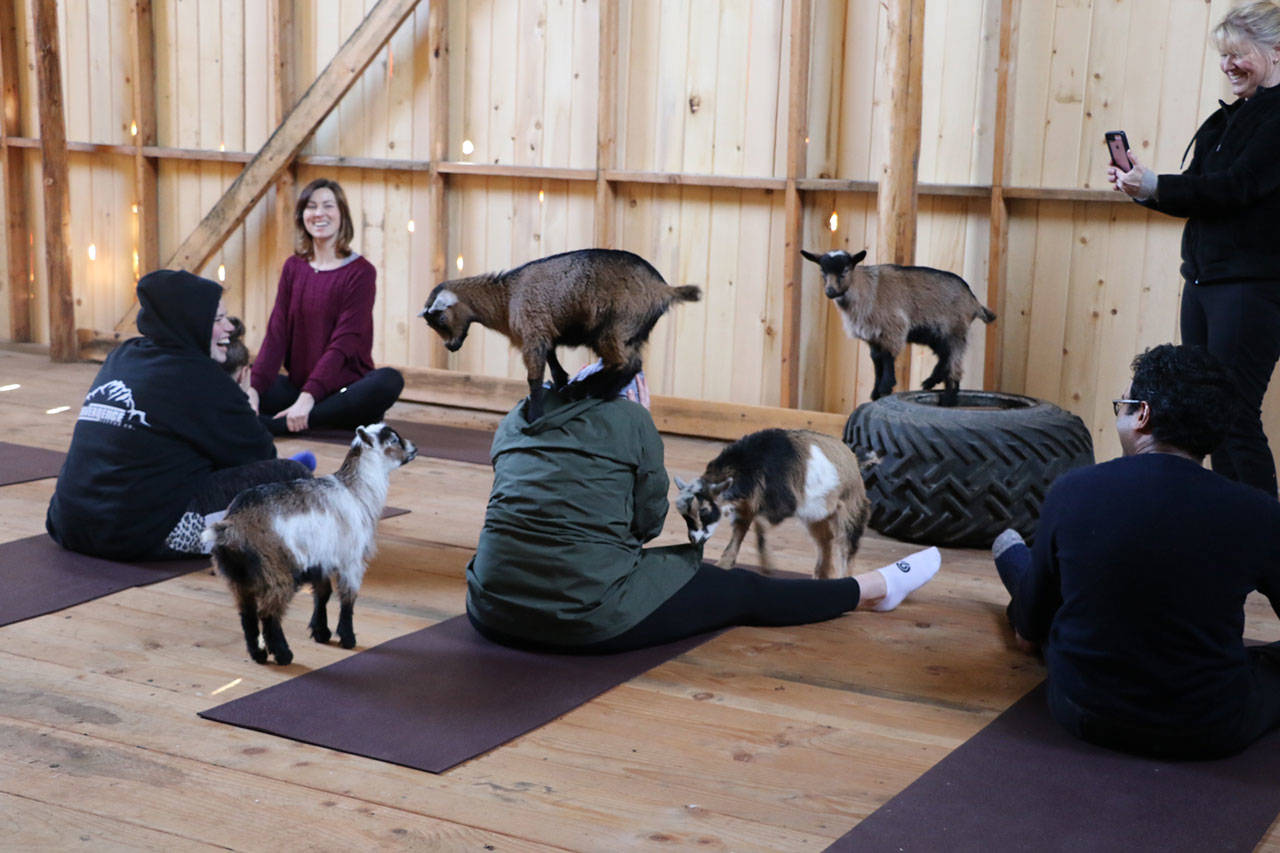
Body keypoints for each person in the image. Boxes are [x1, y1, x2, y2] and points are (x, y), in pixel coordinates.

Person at [465, 386, 940, 654]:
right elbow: (647, 526)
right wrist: (640, 424)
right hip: (585, 620)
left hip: (489, 608)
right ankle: (877, 586)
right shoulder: (632, 421)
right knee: (743, 590)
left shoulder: (517, 416)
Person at [993, 344, 1280, 759]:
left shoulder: (1072, 491)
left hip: (1082, 710)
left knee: (1048, 606)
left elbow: (1028, 634)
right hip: (1208, 726)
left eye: (1122, 405)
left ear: (1142, 415)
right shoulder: (1258, 513)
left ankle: (1014, 556)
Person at [1107, 1, 1280, 496]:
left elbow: (1237, 188)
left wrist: (1160, 183)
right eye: (1222, 56)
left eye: (1237, 54)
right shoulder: (1226, 121)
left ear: (1275, 51)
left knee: (1234, 415)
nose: (1227, 66)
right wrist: (1146, 190)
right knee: (1205, 415)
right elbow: (1204, 198)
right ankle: (1222, 535)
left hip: (1250, 289)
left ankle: (1263, 547)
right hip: (1203, 284)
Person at [46, 270, 311, 561]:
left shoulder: (123, 356)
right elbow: (261, 454)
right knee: (293, 479)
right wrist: (246, 402)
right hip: (138, 535)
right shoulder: (200, 376)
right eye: (217, 320)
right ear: (190, 322)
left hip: (68, 523)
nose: (228, 329)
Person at [251, 178, 404, 435]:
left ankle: (288, 423)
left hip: (344, 391)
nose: (319, 213)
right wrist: (253, 390)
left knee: (388, 380)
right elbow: (276, 335)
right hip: (299, 387)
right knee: (239, 384)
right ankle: (314, 418)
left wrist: (308, 398)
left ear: (341, 214)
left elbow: (344, 343)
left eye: (328, 206)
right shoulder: (294, 267)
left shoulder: (361, 272)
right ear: (302, 216)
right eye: (311, 207)